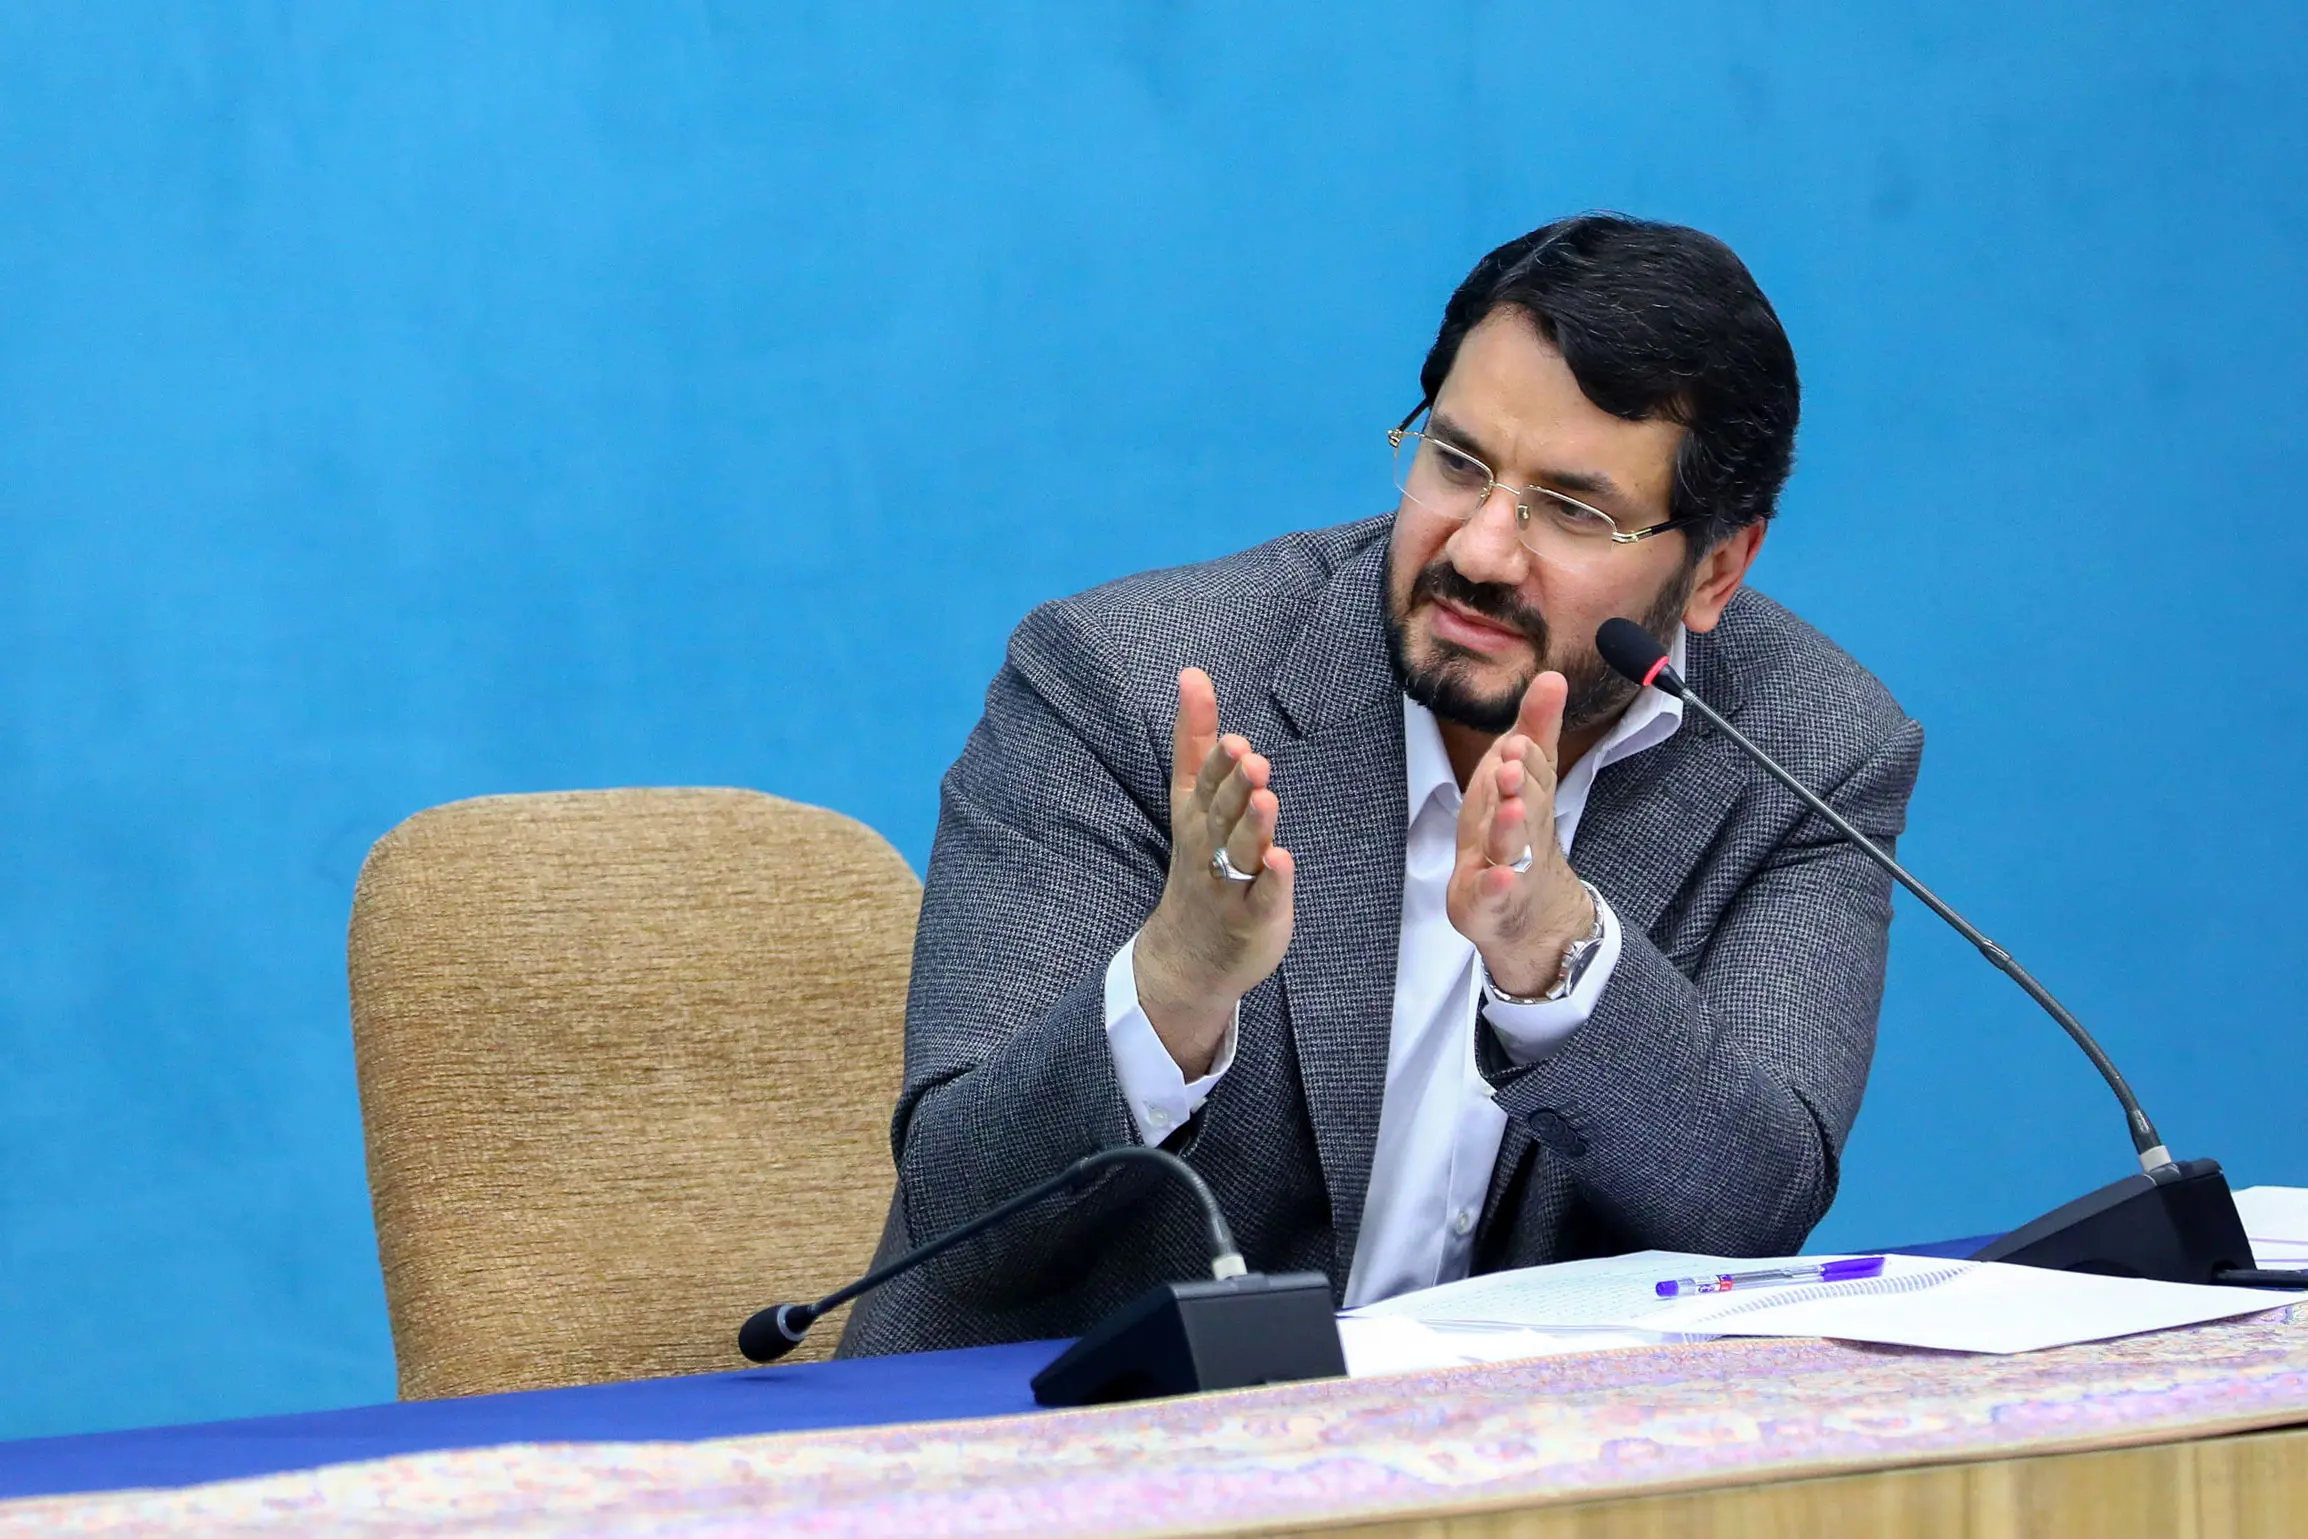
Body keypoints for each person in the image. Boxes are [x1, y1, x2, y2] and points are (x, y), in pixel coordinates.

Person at [840, 213, 1922, 1356]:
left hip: (1511, 1446)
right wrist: (1173, 988)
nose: (1479, 551)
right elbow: (962, 1215)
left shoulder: (1807, 750)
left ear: (1717, 568)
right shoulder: (1128, 685)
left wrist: (1561, 960)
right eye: (1456, 463)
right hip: (1073, 1431)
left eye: (1571, 510)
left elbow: (1750, 1209)